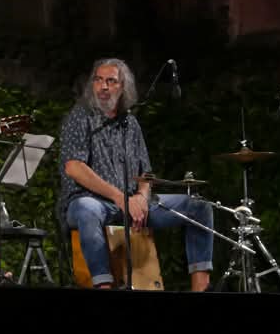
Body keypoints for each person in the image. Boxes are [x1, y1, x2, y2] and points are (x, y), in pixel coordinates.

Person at [58, 57, 214, 291]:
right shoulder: (80, 117)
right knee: (86, 209)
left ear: (123, 88)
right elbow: (74, 167)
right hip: (92, 202)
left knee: (199, 208)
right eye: (98, 80)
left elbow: (146, 173)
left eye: (111, 81)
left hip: (131, 203)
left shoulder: (130, 123)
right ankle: (104, 286)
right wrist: (119, 197)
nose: (103, 86)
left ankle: (200, 289)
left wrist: (141, 197)